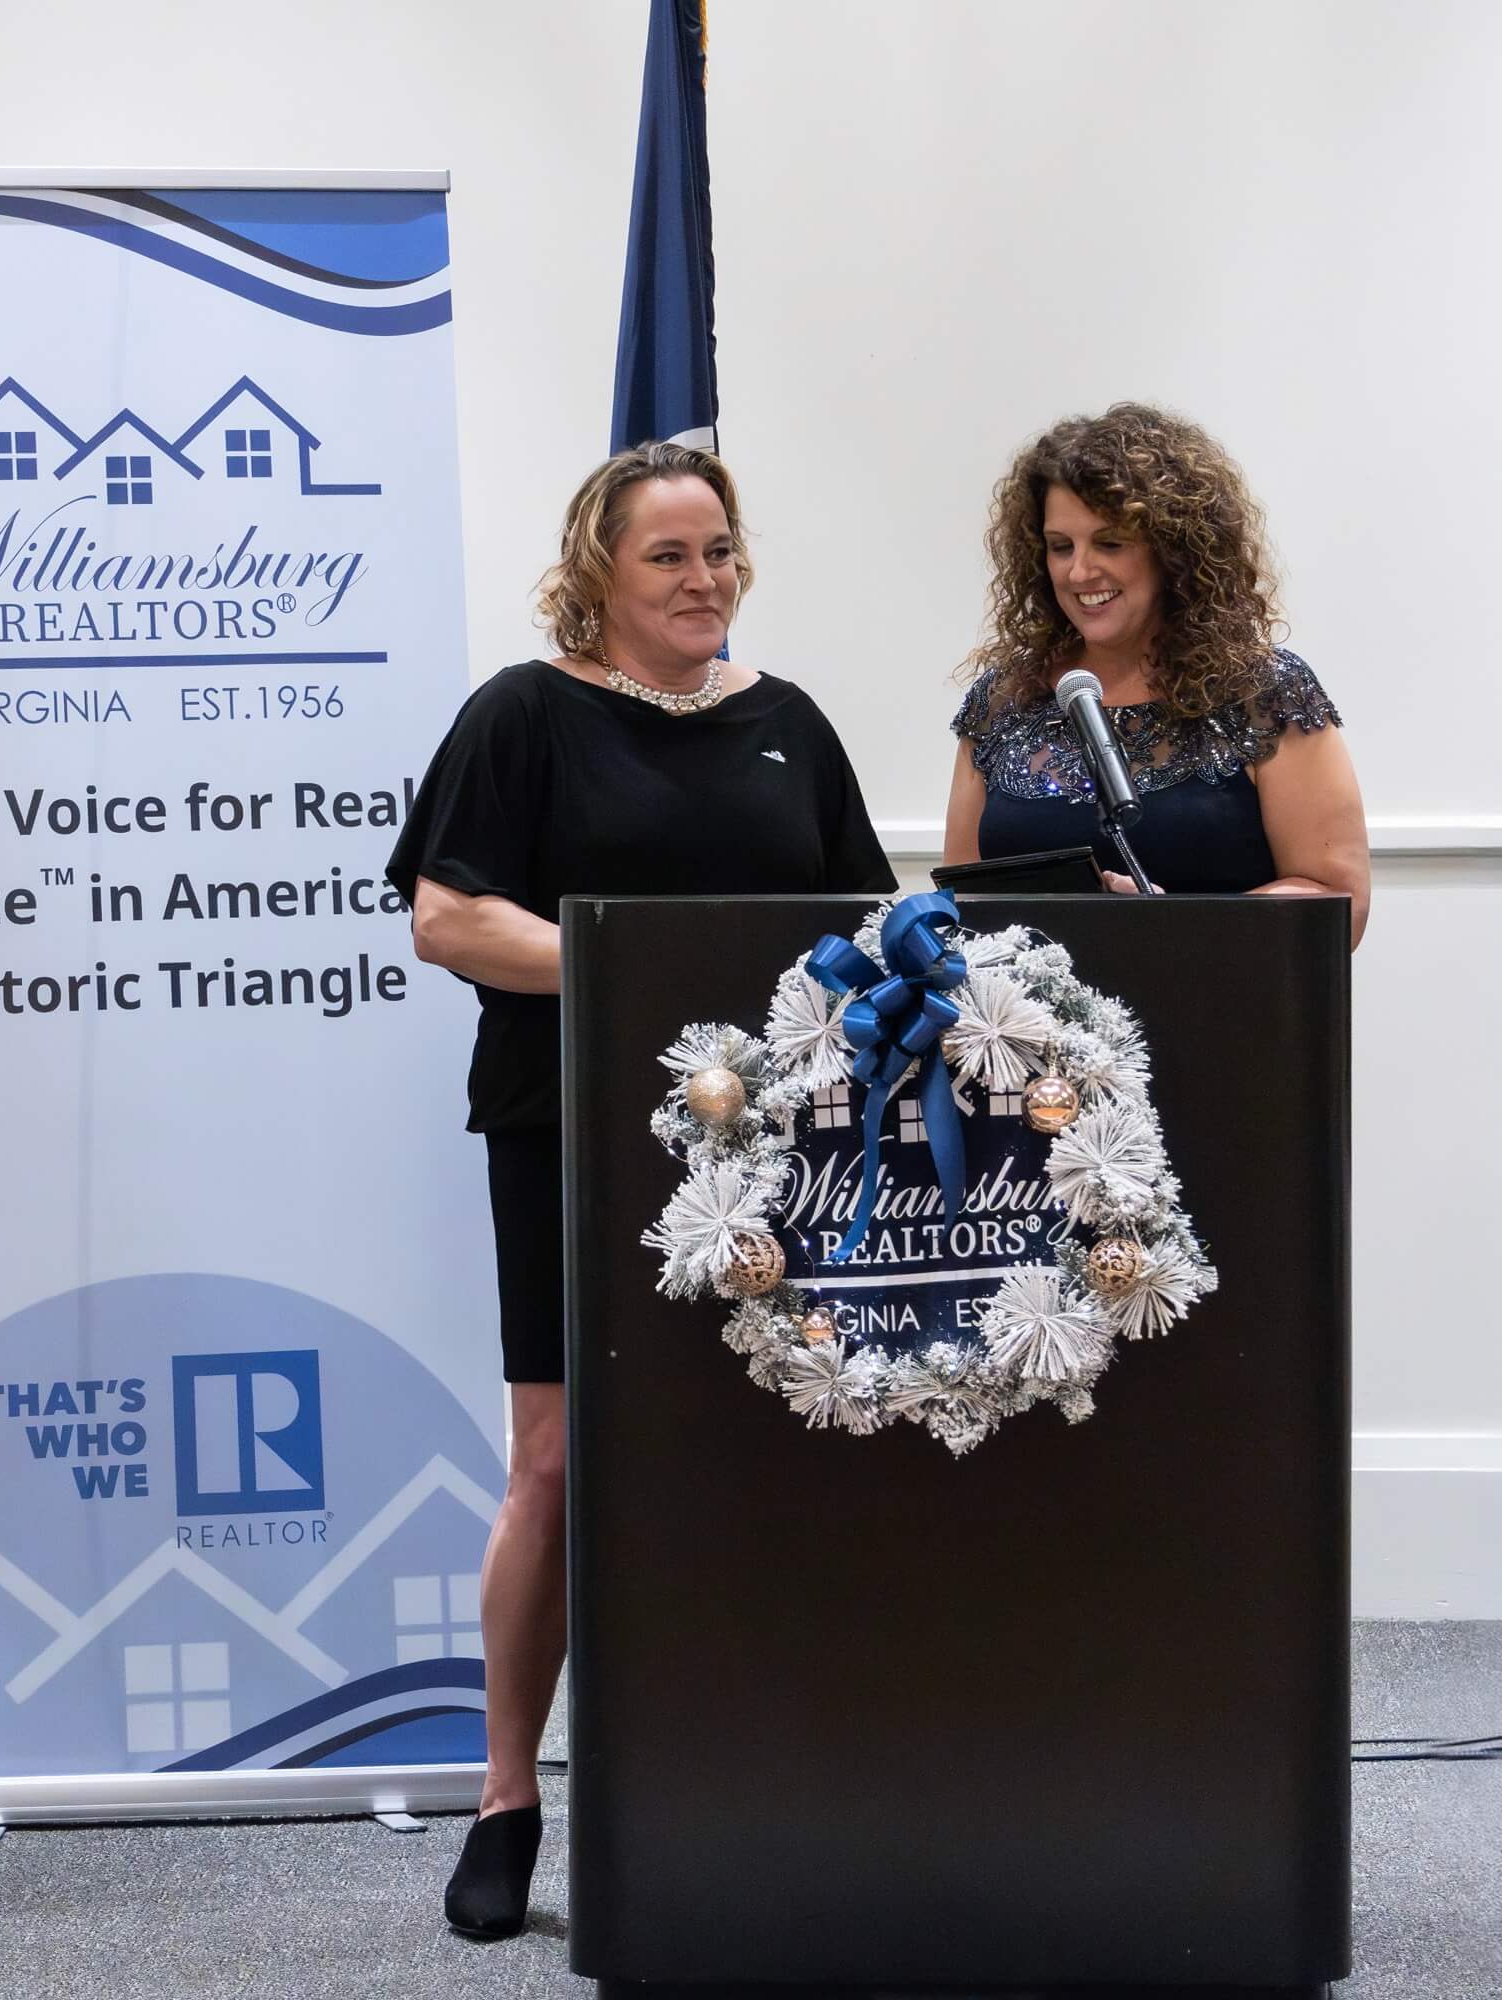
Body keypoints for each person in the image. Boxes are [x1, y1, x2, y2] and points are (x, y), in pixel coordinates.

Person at [387, 441, 895, 1939]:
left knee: (767, 1445)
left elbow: (865, 922)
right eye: (667, 554)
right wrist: (645, 972)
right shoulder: (524, 713)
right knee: (554, 1464)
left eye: (719, 549)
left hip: (776, 1147)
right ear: (596, 571)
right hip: (573, 1125)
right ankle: (507, 1798)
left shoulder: (789, 723)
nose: (702, 578)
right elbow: (448, 918)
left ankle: (762, 1784)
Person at [942, 403, 1370, 944]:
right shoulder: (1003, 700)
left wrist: (1171, 928)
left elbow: (1338, 902)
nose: (1079, 571)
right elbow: (958, 906)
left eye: (1110, 543)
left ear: (1172, 550)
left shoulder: (1263, 693)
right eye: (1060, 547)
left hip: (1214, 994)